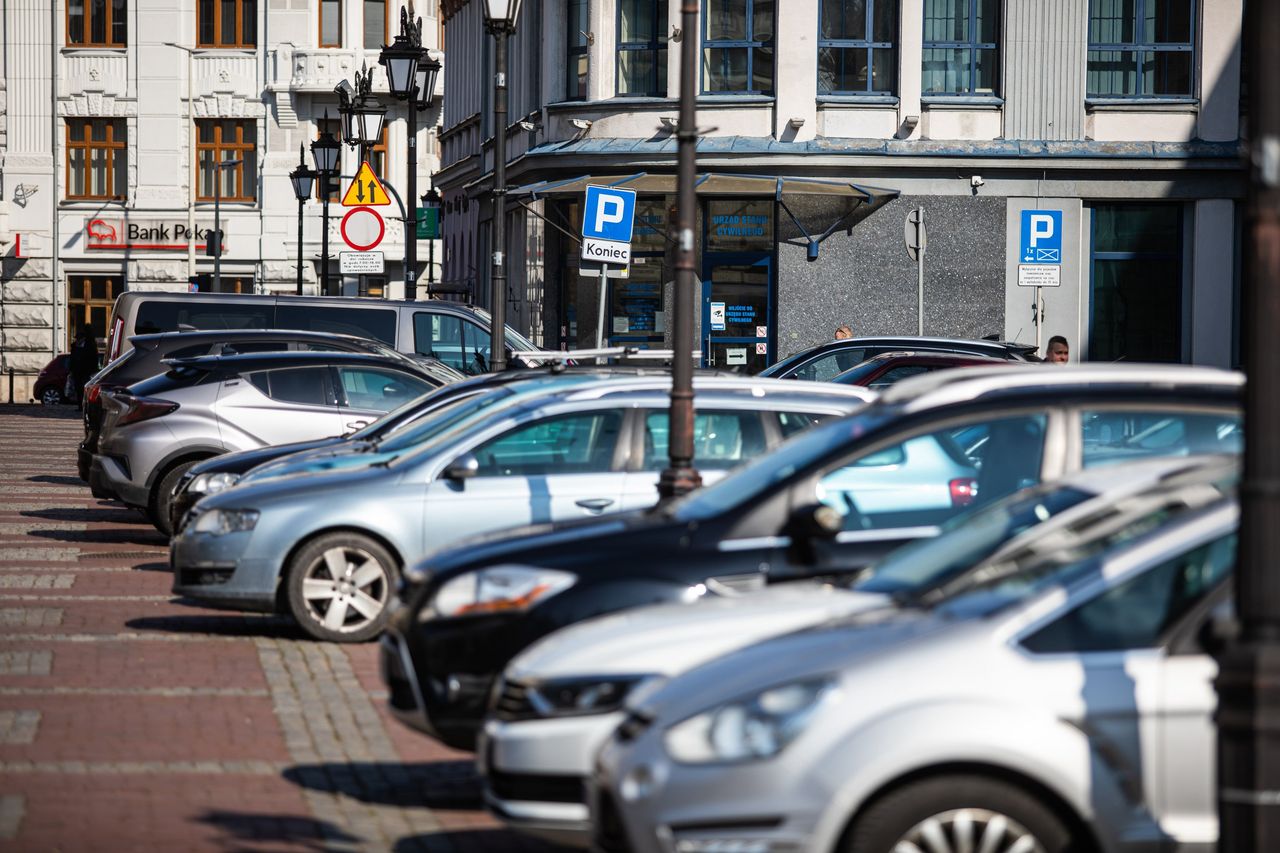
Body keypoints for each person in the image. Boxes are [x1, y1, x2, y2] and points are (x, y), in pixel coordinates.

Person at [68, 324, 99, 409]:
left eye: (79, 338)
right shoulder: (75, 346)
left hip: (85, 370)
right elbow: (72, 358)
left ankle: (84, 406)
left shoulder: (89, 344)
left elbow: (93, 358)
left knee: (84, 388)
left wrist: (92, 369)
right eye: (77, 339)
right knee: (78, 389)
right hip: (78, 371)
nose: (77, 340)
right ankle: (80, 406)